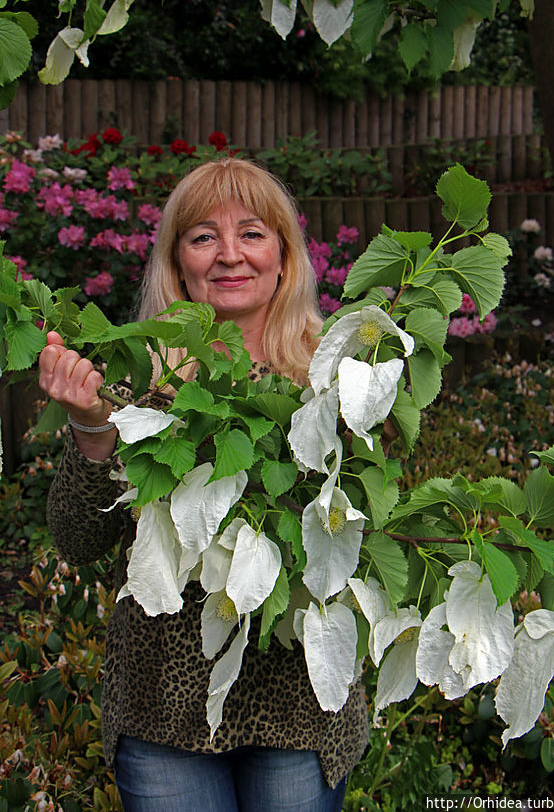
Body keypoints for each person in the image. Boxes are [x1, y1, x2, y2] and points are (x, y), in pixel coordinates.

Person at [38, 158, 369, 812]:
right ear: (177, 261)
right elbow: (78, 539)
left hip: (298, 704)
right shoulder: (135, 374)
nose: (228, 255)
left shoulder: (337, 377)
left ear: (282, 255)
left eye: (250, 232)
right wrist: (92, 427)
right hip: (166, 710)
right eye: (202, 237)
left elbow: (362, 532)